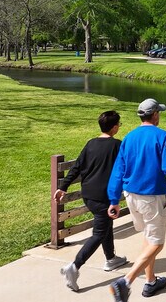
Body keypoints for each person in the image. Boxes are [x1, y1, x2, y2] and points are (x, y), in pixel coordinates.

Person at [107, 98, 166, 302]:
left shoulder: (129, 137)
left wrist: (113, 199)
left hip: (130, 195)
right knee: (157, 243)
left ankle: (151, 281)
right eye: (158, 113)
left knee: (148, 235)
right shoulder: (163, 137)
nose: (159, 116)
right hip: (151, 196)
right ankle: (125, 282)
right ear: (154, 115)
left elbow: (119, 170)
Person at [54, 111, 128, 292]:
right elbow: (127, 167)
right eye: (119, 124)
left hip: (88, 195)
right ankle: (74, 267)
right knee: (99, 233)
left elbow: (77, 167)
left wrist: (63, 187)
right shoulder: (117, 146)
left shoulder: (90, 144)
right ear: (114, 127)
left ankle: (111, 259)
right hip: (104, 197)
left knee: (105, 225)